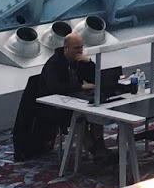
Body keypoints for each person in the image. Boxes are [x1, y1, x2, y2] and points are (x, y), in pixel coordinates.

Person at [42, 32, 107, 163]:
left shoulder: (79, 61)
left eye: (81, 47)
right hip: (57, 107)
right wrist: (80, 87)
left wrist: (89, 63)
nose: (80, 51)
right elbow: (55, 87)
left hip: (76, 99)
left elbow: (96, 78)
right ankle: (96, 152)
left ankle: (101, 149)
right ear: (66, 48)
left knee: (97, 113)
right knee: (80, 118)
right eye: (76, 48)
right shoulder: (54, 63)